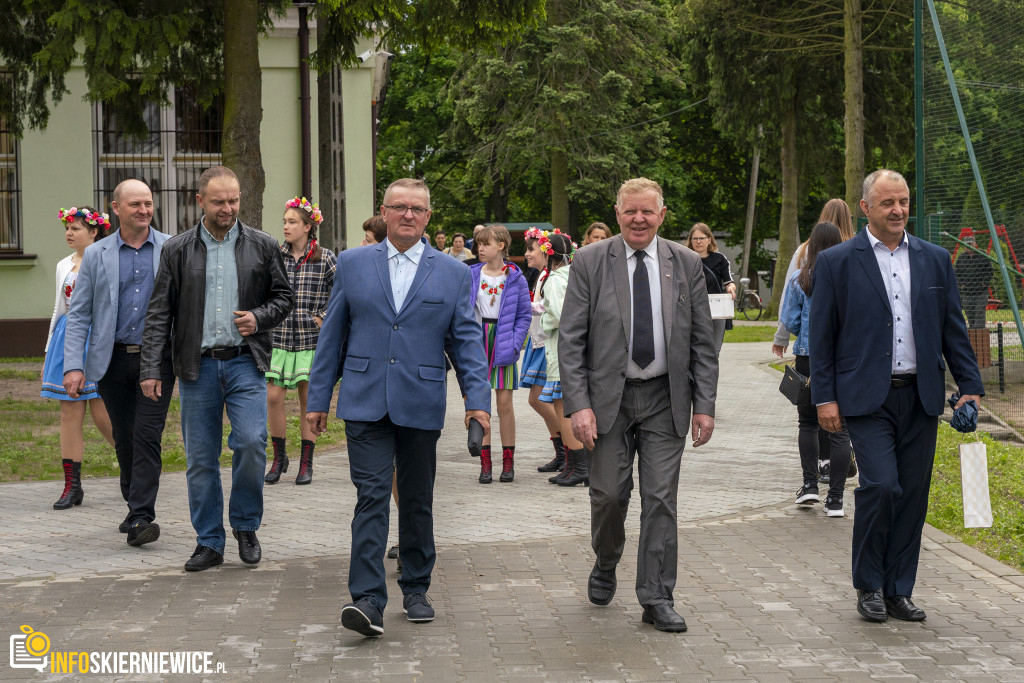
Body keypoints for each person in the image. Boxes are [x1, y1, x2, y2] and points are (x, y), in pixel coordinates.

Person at [306, 178, 490, 638]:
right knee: (370, 497)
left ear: (428, 217)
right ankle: (367, 600)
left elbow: (466, 341)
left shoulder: (451, 272)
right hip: (365, 399)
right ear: (384, 212)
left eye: (417, 209)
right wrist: (318, 398)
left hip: (421, 399)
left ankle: (415, 587)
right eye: (399, 207)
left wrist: (477, 403)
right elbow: (332, 337)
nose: (408, 215)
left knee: (415, 499)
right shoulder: (351, 264)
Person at [810, 169, 983, 623]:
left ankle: (897, 589)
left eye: (903, 201)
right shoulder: (837, 262)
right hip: (866, 398)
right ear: (865, 207)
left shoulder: (934, 259)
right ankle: (868, 584)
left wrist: (970, 388)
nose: (898, 210)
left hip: (921, 395)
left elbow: (953, 330)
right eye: (887, 202)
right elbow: (822, 336)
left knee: (912, 496)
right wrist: (824, 398)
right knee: (881, 486)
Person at [559, 177, 718, 633]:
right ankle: (606, 559)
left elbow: (703, 341)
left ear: (662, 216)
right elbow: (571, 340)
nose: (639, 219)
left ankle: (656, 595)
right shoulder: (590, 260)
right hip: (607, 399)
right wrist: (578, 405)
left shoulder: (685, 263)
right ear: (617, 213)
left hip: (666, 398)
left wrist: (704, 404)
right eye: (630, 211)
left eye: (647, 211)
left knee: (661, 499)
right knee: (609, 495)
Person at [140, 165, 294, 572]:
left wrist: (259, 318)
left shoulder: (263, 245)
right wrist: (151, 368)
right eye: (218, 201)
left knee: (249, 442)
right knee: (201, 458)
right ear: (200, 201)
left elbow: (284, 297)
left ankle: (245, 524)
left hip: (246, 363)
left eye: (233, 200)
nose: (228, 208)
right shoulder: (176, 249)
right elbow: (159, 314)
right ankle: (209, 541)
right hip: (198, 368)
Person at [63, 180, 175, 547]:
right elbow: (79, 314)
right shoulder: (97, 254)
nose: (143, 210)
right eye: (135, 204)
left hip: (156, 361)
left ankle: (142, 514)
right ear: (116, 208)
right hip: (110, 360)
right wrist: (73, 366)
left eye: (148, 203)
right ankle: (134, 503)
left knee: (147, 436)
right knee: (125, 438)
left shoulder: (171, 248)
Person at [772, 198, 858, 483]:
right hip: (845, 355)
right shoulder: (856, 252)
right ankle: (836, 493)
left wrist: (784, 336)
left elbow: (789, 304)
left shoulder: (803, 257)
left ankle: (812, 477)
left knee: (808, 419)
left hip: (808, 352)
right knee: (841, 424)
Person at [42, 206, 115, 510]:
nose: (69, 234)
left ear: (95, 232)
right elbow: (59, 308)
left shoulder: (108, 261)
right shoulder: (63, 265)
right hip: (67, 337)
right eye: (67, 228)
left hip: (96, 337)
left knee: (102, 412)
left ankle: (137, 467)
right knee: (69, 413)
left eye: (76, 228)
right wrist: (50, 347)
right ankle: (72, 485)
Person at [264, 197, 337, 486]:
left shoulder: (326, 258)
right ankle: (279, 456)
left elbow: (343, 293)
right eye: (284, 221)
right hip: (279, 337)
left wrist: (323, 316)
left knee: (309, 399)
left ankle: (306, 461)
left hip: (311, 340)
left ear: (308, 226)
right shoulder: (274, 255)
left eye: (292, 222)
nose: (286, 226)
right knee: (273, 397)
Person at [467, 224, 531, 483]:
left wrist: (515, 343)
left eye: (486, 243)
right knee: (481, 406)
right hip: (477, 341)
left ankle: (508, 461)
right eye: (479, 244)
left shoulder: (515, 277)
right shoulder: (471, 274)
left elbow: (524, 315)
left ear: (502, 246)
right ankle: (485, 463)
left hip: (503, 340)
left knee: (504, 405)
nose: (480, 248)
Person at [534, 230, 589, 487]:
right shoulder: (577, 274)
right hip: (578, 349)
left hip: (560, 349)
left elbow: (558, 314)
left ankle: (580, 467)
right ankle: (574, 466)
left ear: (549, 254)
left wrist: (542, 318)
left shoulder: (555, 279)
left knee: (563, 409)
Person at [520, 228, 568, 473]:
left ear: (546, 251)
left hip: (547, 342)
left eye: (531, 249)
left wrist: (528, 306)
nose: (527, 254)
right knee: (540, 399)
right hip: (537, 340)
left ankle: (570, 450)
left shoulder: (552, 277)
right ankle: (562, 450)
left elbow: (554, 310)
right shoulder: (540, 275)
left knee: (540, 399)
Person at [686, 223, 736, 355]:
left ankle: (710, 375)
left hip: (716, 310)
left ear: (709, 240)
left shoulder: (719, 259)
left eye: (701, 238)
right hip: (692, 310)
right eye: (694, 238)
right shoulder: (685, 259)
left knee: (714, 351)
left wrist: (731, 289)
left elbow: (729, 282)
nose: (698, 242)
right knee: (694, 350)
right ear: (690, 241)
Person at [954, 234, 993, 330]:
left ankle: (979, 341)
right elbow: (956, 273)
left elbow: (990, 271)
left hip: (981, 292)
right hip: (967, 293)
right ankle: (973, 340)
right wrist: (961, 284)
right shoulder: (961, 258)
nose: (968, 246)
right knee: (970, 316)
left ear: (975, 244)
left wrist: (985, 283)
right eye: (966, 244)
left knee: (979, 315)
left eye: (970, 244)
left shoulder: (983, 255)